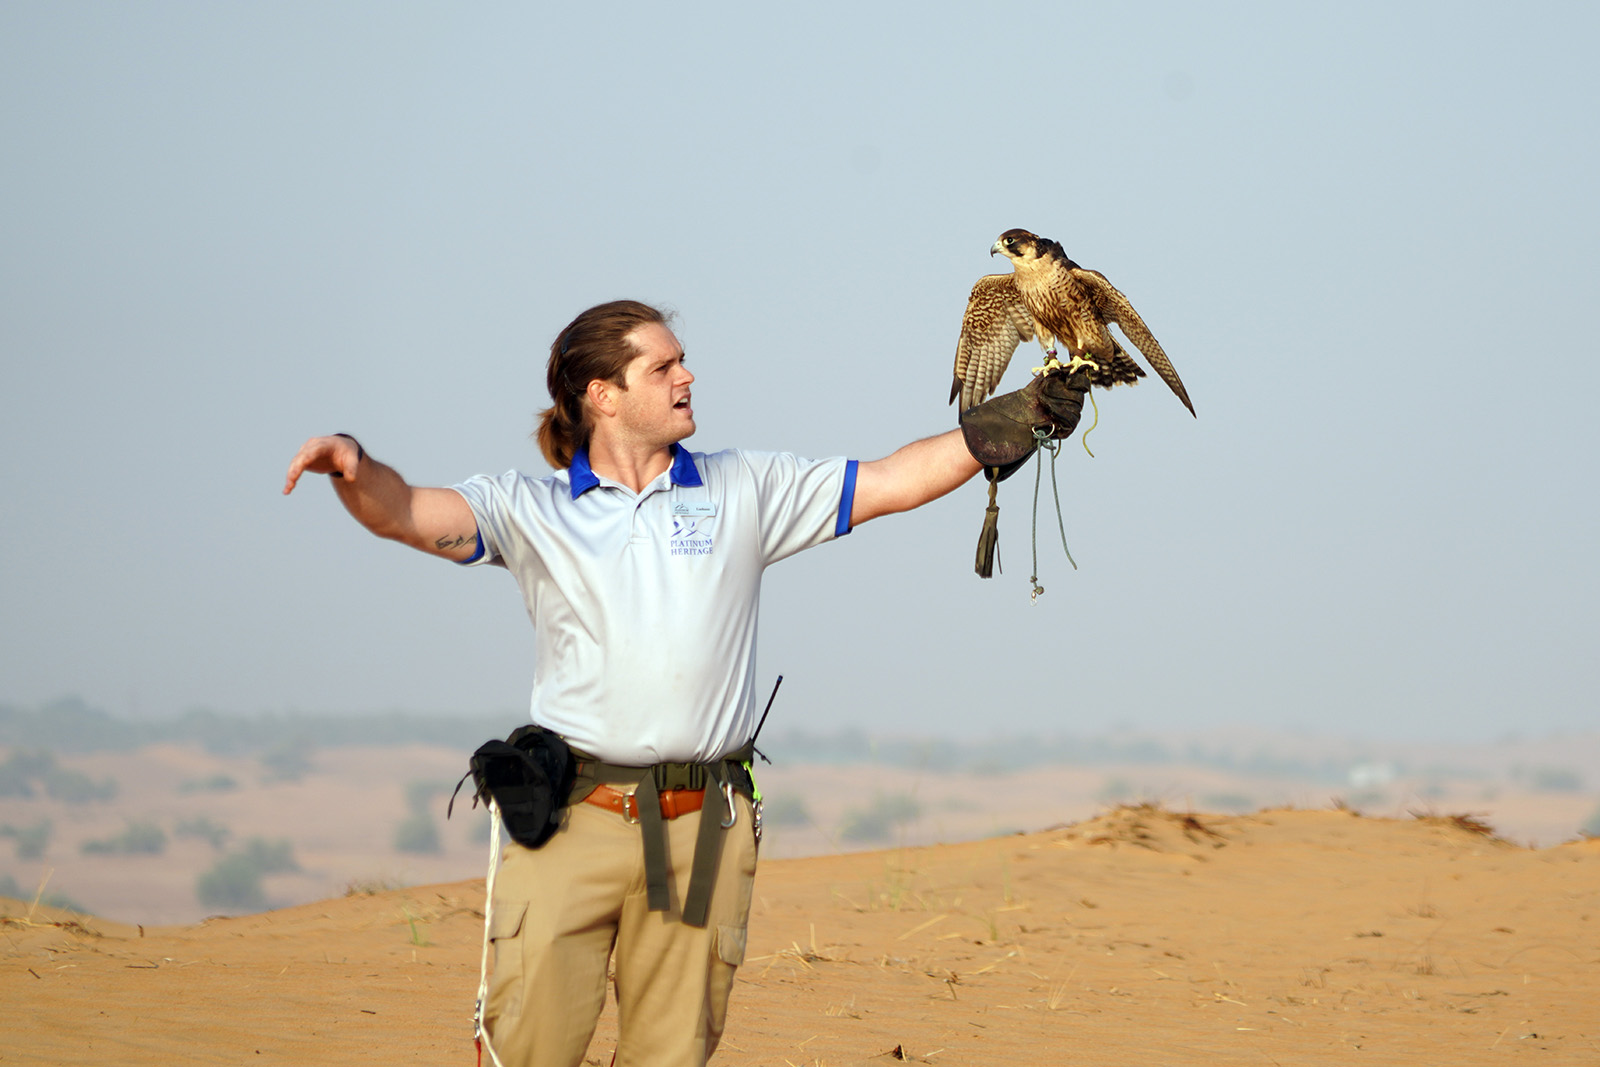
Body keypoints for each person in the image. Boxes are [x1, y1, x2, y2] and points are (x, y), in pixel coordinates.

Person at [282, 300, 982, 1067]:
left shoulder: (742, 488)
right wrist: (353, 462)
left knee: (670, 1057)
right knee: (525, 1052)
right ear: (602, 394)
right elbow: (408, 512)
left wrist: (998, 430)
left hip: (698, 826)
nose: (688, 375)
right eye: (664, 365)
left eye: (682, 360)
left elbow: (890, 480)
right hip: (569, 821)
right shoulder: (531, 508)